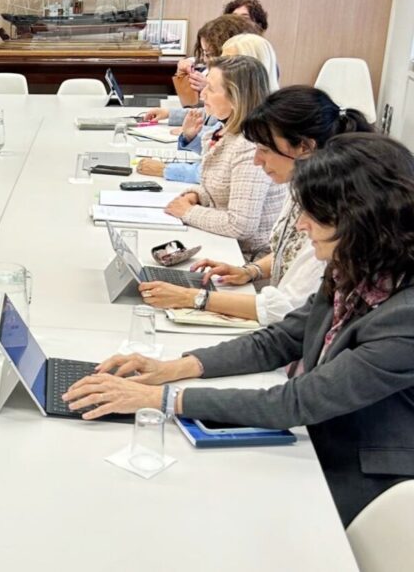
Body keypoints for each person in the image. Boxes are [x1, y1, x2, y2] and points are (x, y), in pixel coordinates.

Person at [63, 133, 414, 527]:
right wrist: (174, 367)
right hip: (316, 441)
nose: (301, 224)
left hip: (368, 479)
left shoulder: (404, 317)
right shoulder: (355, 265)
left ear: (361, 219)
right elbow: (281, 339)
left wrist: (160, 399)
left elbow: (297, 402)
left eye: (315, 215)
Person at [139, 86, 375, 324]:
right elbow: (292, 254)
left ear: (305, 147)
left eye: (264, 149)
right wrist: (251, 271)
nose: (256, 160)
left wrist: (194, 298)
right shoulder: (300, 188)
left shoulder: (329, 211)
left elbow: (284, 308)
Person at [163, 55, 286, 259]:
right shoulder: (226, 130)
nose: (202, 95)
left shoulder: (251, 145)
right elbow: (220, 189)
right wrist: (197, 195)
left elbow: (241, 225)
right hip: (225, 245)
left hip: (247, 257)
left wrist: (187, 212)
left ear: (236, 98)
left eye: (210, 89)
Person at [139, 33, 280, 182]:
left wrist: (166, 170)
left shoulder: (255, 135)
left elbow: (218, 174)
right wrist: (190, 137)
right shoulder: (233, 116)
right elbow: (217, 154)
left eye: (230, 61)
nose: (220, 64)